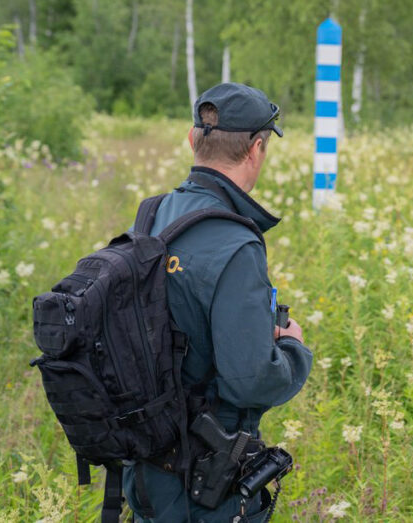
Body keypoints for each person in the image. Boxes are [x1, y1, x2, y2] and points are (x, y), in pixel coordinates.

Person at [122, 82, 313, 522]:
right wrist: (292, 350)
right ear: (257, 149)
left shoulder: (153, 213)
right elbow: (250, 380)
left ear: (192, 140)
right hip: (203, 483)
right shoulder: (237, 244)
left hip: (148, 470)